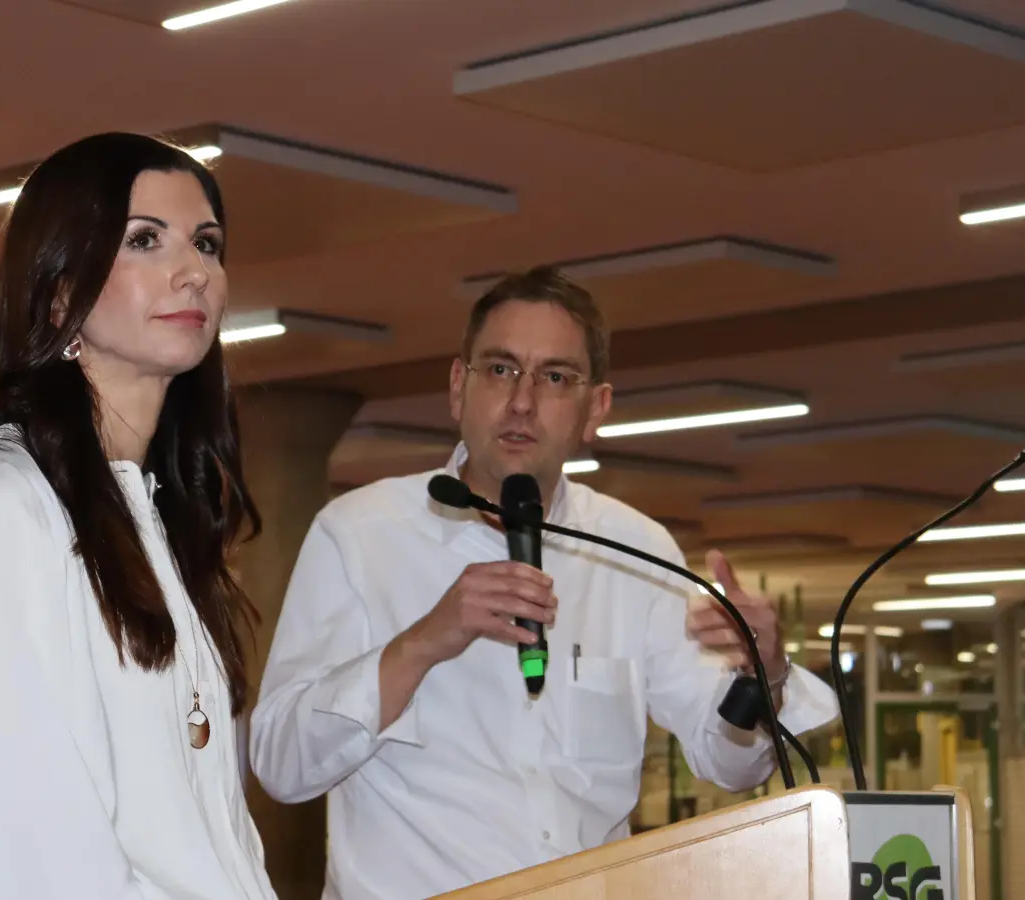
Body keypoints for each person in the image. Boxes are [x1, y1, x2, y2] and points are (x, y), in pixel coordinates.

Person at [248, 267, 838, 900]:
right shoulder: (359, 535)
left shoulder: (636, 551)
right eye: (501, 369)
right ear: (458, 388)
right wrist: (421, 644)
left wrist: (762, 680)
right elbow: (281, 764)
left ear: (595, 409)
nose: (522, 400)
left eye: (555, 377)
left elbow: (730, 763)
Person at [0, 133, 279, 899]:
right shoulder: (0, 508)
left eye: (206, 243)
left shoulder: (155, 518)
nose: (194, 270)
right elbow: (35, 856)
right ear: (59, 293)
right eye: (145, 239)